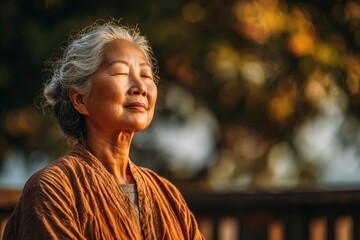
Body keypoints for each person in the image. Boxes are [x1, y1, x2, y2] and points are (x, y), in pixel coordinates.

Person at [3, 20, 204, 240]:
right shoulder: (53, 188)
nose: (140, 88)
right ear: (80, 99)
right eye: (120, 73)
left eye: (146, 75)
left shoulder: (168, 195)